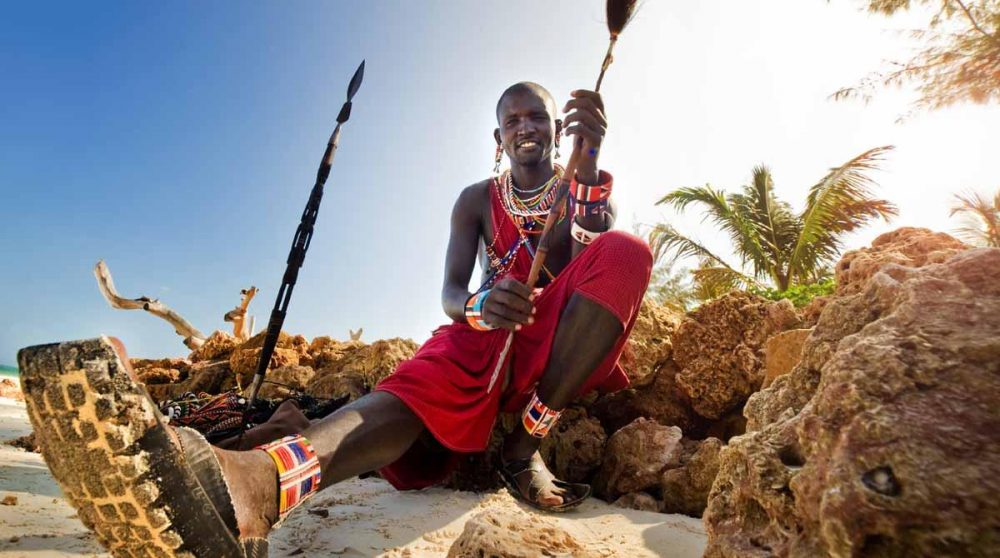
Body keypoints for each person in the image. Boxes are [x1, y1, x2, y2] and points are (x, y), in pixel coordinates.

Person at [19, 81, 653, 557]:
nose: (525, 125)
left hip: (546, 344)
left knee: (626, 251)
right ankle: (259, 484)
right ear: (497, 139)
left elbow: (585, 253)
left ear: (556, 127)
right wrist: (479, 308)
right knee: (404, 397)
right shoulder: (473, 200)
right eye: (511, 118)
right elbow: (451, 292)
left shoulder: (580, 185)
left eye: (536, 115)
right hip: (478, 340)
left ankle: (524, 446)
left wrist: (590, 167)